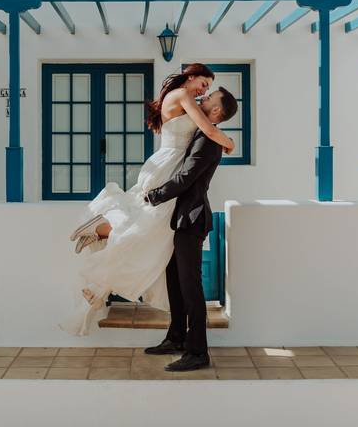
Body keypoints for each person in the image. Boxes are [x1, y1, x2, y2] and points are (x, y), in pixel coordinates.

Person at [59, 64, 237, 336]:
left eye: (209, 90)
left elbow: (206, 130)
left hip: (169, 164)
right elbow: (209, 130)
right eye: (203, 84)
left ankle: (100, 272)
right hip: (168, 166)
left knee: (147, 234)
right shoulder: (182, 95)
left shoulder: (182, 97)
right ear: (190, 78)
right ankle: (101, 230)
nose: (204, 91)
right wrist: (230, 143)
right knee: (145, 226)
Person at [141, 89, 238, 371]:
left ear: (217, 112)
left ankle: (198, 353)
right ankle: (176, 337)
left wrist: (154, 195)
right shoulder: (201, 133)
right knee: (174, 280)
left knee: (191, 287)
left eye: (210, 99)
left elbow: (186, 177)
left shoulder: (209, 141)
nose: (203, 99)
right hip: (180, 218)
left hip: (191, 218)